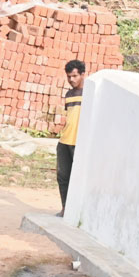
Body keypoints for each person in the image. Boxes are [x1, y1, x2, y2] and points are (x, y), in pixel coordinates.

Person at [57, 59, 86, 213]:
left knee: (78, 179)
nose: (71, 80)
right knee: (62, 176)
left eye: (75, 76)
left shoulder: (89, 93)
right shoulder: (68, 94)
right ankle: (65, 208)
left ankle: (78, 210)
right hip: (65, 140)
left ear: (82, 74)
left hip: (79, 142)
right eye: (69, 76)